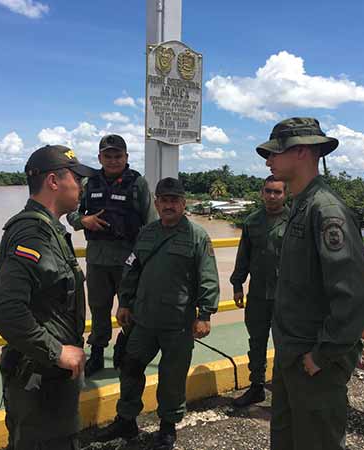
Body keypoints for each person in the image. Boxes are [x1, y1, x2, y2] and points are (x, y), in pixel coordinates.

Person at [255, 118, 364, 450]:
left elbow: (358, 296)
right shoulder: (301, 205)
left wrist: (322, 355)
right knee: (286, 437)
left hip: (313, 361)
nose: (268, 162)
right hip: (292, 353)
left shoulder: (325, 210)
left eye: (274, 153)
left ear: (301, 152)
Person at [96, 177, 219, 450]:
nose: (169, 205)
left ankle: (167, 428)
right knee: (129, 366)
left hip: (178, 324)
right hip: (144, 319)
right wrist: (125, 303)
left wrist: (205, 314)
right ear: (157, 203)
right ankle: (126, 419)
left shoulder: (197, 236)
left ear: (184, 204)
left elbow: (208, 277)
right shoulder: (147, 233)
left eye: (174, 200)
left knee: (172, 377)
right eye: (164, 200)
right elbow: (132, 269)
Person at [0, 145, 93, 450]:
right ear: (53, 182)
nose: (81, 186)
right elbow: (2, 309)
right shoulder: (34, 234)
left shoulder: (49, 229)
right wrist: (56, 351)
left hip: (48, 380)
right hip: (40, 381)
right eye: (77, 178)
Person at [67, 134, 157, 377]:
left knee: (130, 308)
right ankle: (97, 352)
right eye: (108, 156)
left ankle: (124, 348)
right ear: (100, 158)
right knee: (98, 308)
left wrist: (146, 259)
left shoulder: (137, 183)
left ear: (126, 157)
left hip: (128, 260)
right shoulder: (89, 183)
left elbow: (150, 222)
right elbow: (71, 213)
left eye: (118, 156)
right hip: (97, 259)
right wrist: (83, 220)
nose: (113, 160)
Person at [230, 176, 289, 407]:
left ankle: (284, 390)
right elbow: (243, 255)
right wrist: (237, 284)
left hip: (286, 296)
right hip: (257, 295)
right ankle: (256, 387)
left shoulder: (294, 220)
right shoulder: (252, 221)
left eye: (277, 192)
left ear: (286, 194)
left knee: (284, 345)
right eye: (268, 191)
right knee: (256, 342)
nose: (272, 196)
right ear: (261, 193)